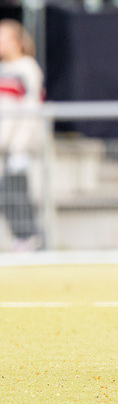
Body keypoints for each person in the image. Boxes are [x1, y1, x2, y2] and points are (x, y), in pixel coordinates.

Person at [0, 20, 44, 252]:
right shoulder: (4, 69)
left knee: (16, 191)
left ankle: (30, 238)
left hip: (19, 146)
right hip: (4, 146)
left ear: (17, 42)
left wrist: (20, 145)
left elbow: (30, 110)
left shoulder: (27, 68)